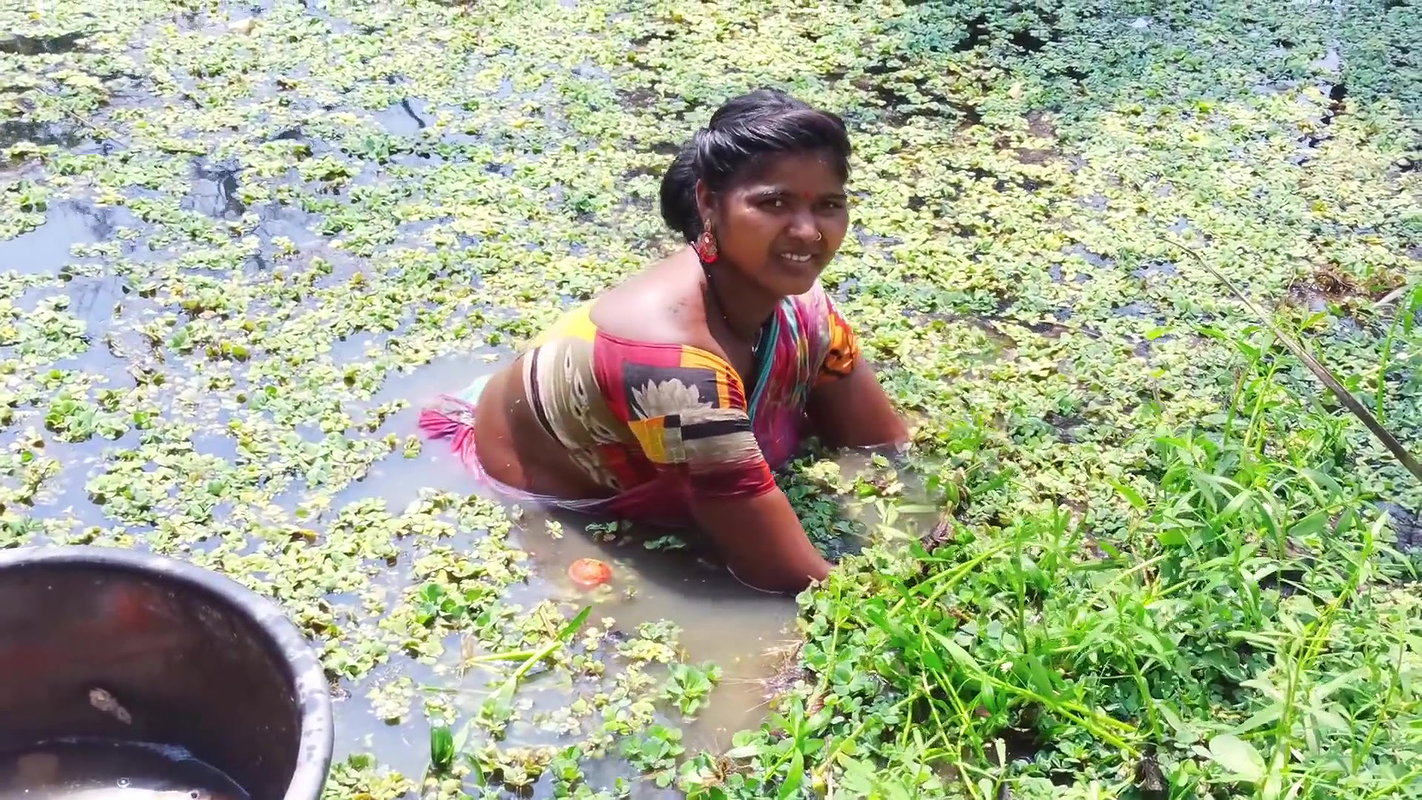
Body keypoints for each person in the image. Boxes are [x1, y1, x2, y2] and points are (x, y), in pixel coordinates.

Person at [419, 89, 909, 593]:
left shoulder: (805, 308)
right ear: (707, 203)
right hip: (555, 495)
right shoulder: (666, 362)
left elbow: (881, 442)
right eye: (774, 202)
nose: (808, 231)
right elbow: (788, 576)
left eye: (828, 205)